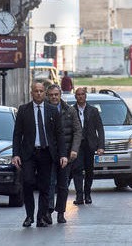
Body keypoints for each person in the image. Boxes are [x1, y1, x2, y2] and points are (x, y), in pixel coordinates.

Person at [12, 82, 66, 228]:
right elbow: (17, 134)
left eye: (41, 91)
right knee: (28, 183)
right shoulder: (23, 110)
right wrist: (15, 154)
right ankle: (29, 216)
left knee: (45, 186)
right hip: (29, 154)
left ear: (44, 93)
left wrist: (63, 155)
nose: (39, 94)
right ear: (32, 93)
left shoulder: (53, 110)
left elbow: (59, 135)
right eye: (36, 91)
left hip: (46, 153)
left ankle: (41, 216)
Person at [45, 84, 82, 224]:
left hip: (66, 155)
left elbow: (78, 131)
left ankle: (61, 212)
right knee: (49, 184)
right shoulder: (44, 111)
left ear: (60, 95)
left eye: (56, 94)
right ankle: (48, 212)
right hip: (49, 154)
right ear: (48, 96)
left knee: (63, 185)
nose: (54, 97)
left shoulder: (70, 110)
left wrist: (74, 149)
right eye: (51, 95)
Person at [72, 87, 105, 205]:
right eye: (78, 94)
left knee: (89, 170)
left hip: (90, 144)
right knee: (77, 169)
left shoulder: (93, 111)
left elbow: (100, 128)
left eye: (82, 94)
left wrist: (101, 146)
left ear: (85, 96)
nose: (80, 96)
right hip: (77, 145)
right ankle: (79, 196)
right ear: (75, 96)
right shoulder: (71, 110)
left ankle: (87, 194)